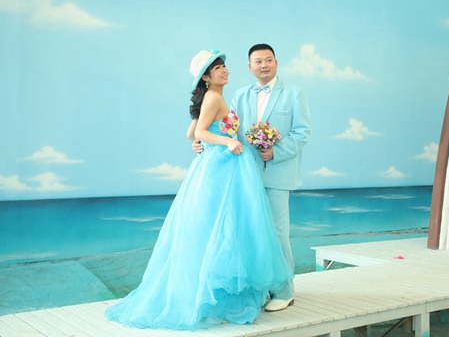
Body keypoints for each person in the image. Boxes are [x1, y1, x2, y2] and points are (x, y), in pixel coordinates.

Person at [105, 49, 293, 330]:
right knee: (222, 227)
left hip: (226, 165)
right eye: (217, 68)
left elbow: (191, 133)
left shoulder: (216, 96)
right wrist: (225, 141)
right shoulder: (213, 97)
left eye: (224, 66)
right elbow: (200, 132)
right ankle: (217, 297)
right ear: (206, 77)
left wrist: (206, 139)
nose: (224, 70)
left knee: (222, 227)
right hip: (221, 166)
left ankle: (218, 294)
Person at [193, 43, 312, 312]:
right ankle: (262, 288)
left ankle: (285, 291)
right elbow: (228, 128)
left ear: (276, 62)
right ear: (250, 67)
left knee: (277, 233)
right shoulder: (240, 94)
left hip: (278, 174)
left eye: (268, 60)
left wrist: (277, 151)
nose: (264, 65)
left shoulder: (294, 93)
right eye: (258, 61)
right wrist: (202, 141)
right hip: (244, 175)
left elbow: (303, 132)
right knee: (252, 232)